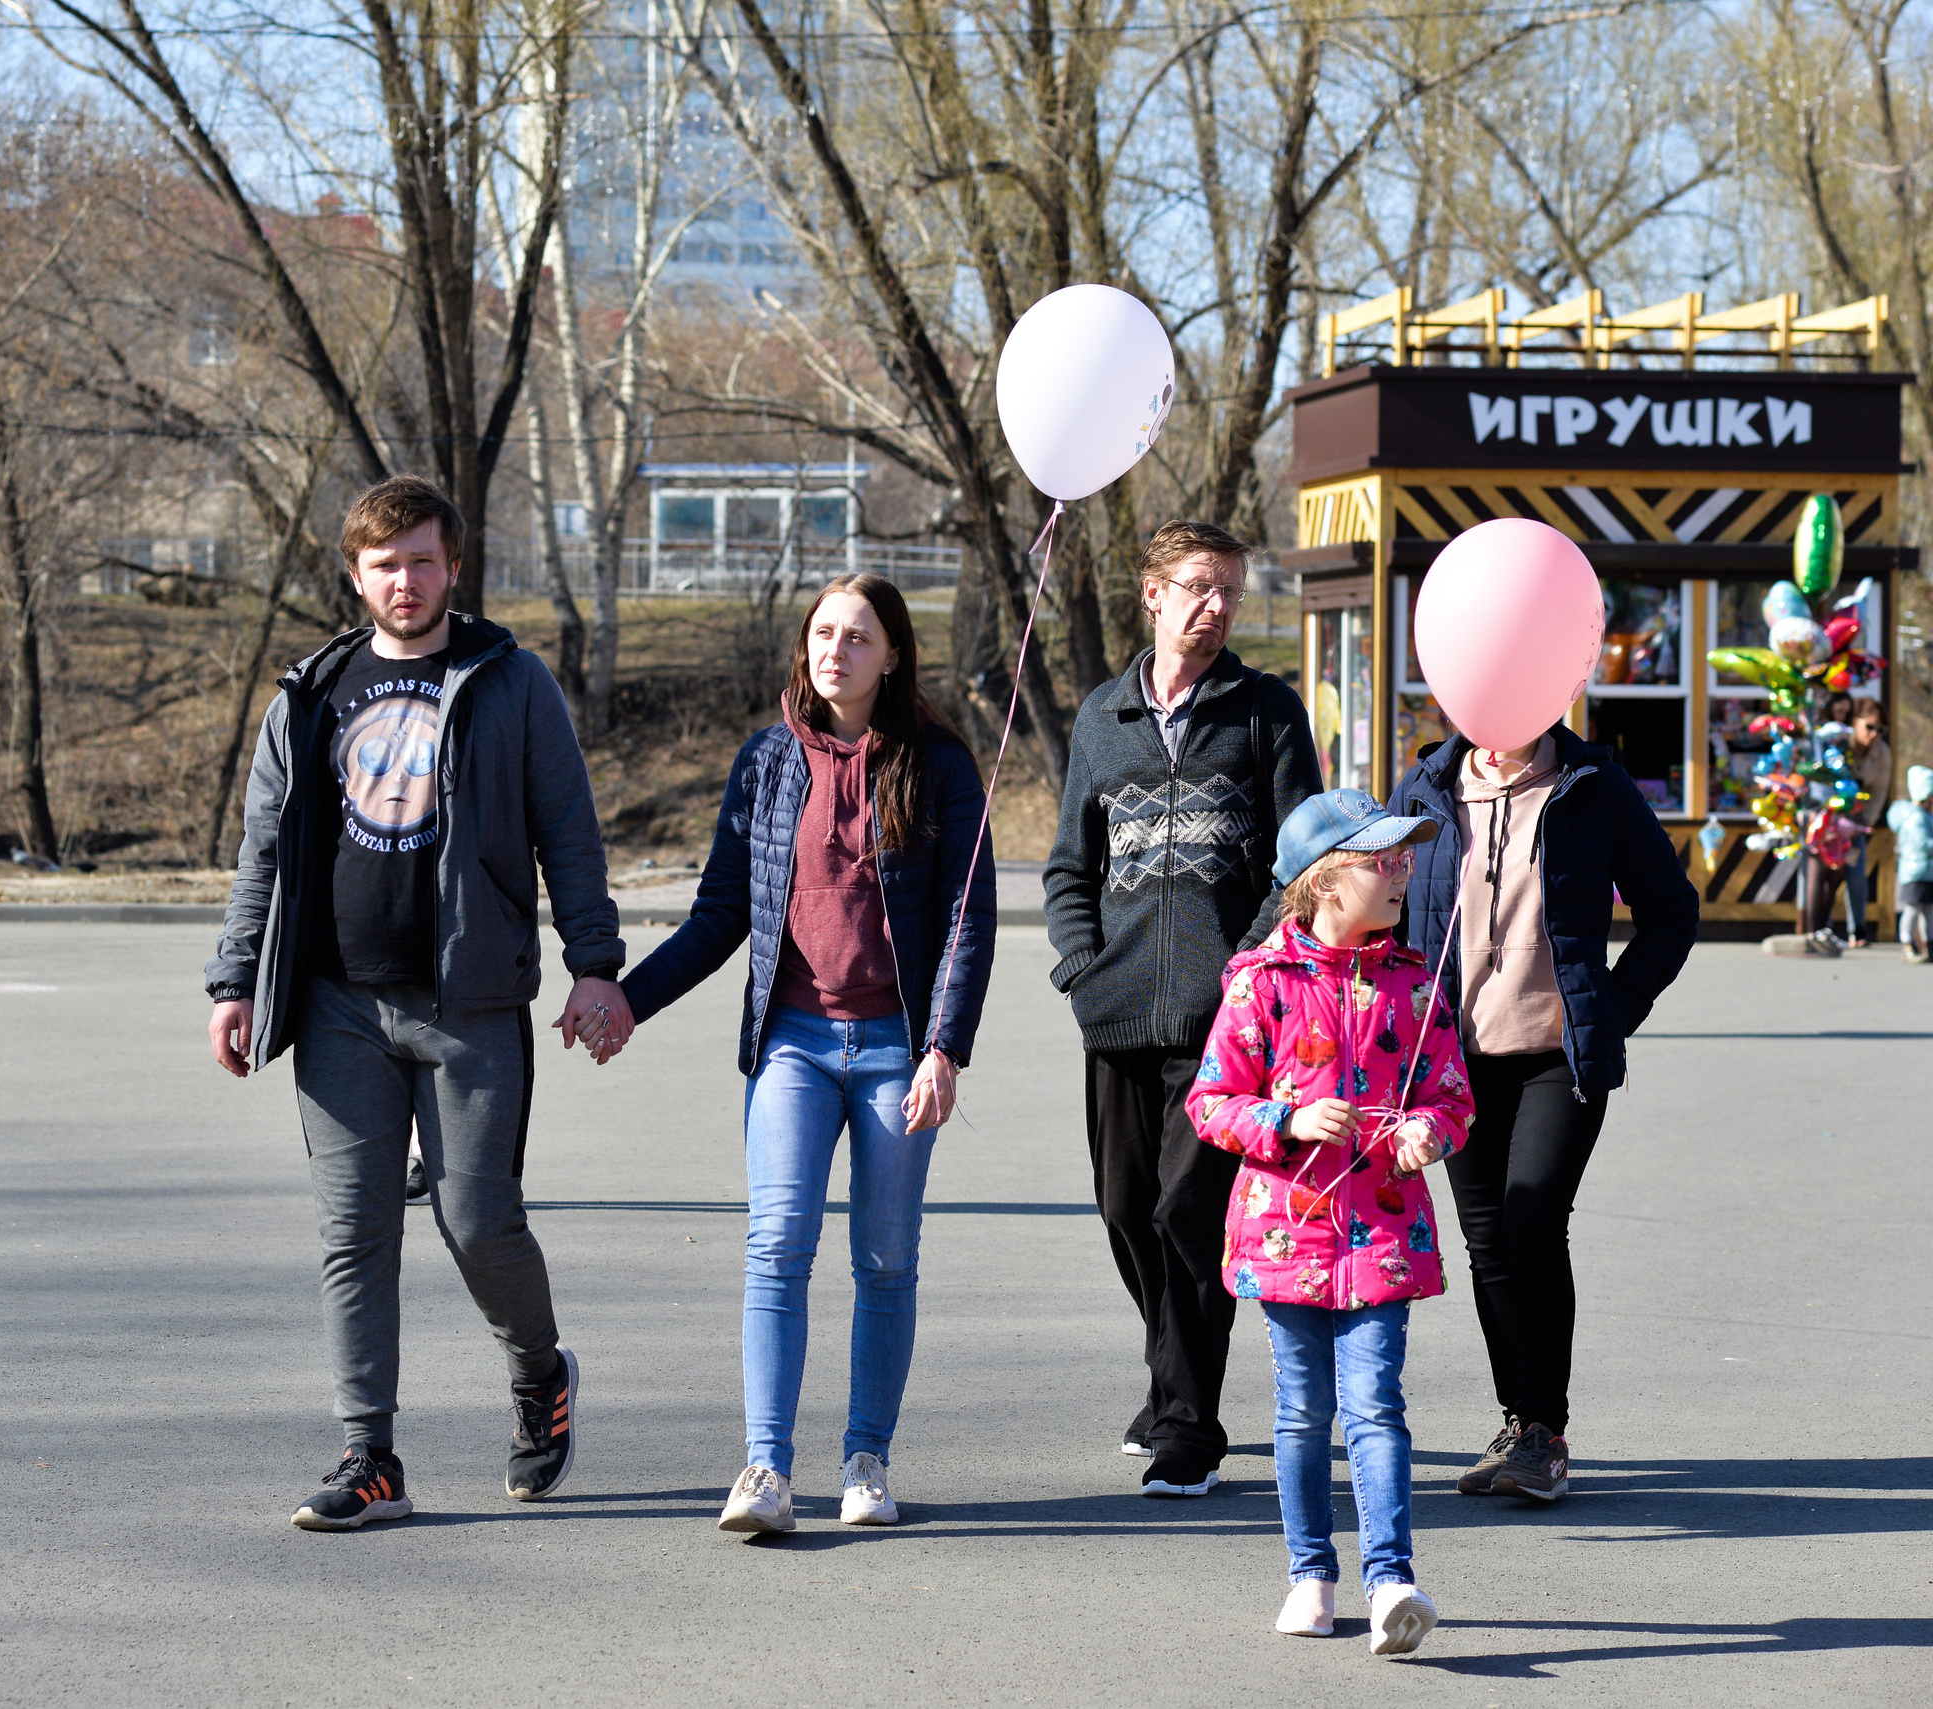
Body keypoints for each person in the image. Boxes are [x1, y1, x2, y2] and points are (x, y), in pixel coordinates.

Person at [204, 475, 629, 1531]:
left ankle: (539, 1373)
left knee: (478, 1220)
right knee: (352, 1233)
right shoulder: (308, 692)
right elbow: (263, 846)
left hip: (469, 997)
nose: (407, 580)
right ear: (357, 575)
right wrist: (233, 978)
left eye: (424, 560)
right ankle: (369, 1453)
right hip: (337, 1001)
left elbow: (566, 831)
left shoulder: (509, 680)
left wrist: (594, 961)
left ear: (453, 566)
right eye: (385, 564)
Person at [617, 574, 995, 1533]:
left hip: (898, 1050)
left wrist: (944, 1046)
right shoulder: (767, 763)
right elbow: (717, 919)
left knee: (885, 1257)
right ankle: (764, 1470)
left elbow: (964, 921)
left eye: (860, 636)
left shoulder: (941, 767)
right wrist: (627, 1002)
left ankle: (866, 1458)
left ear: (893, 654)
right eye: (825, 632)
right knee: (777, 1248)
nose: (838, 649)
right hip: (791, 1040)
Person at [1042, 519, 1323, 1498]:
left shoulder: (1265, 711)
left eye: (1230, 592)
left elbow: (1302, 865)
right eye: (1199, 587)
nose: (1217, 607)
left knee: (1187, 1213)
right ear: (1152, 593)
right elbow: (1069, 865)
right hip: (1113, 1009)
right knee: (1125, 1207)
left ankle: (1188, 1429)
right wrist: (1081, 961)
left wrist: (1247, 968)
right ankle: (1173, 1372)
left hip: (1225, 1023)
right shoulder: (1099, 718)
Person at [1188, 789, 1472, 1656]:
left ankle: (1392, 1579)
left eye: (1404, 858)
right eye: (1381, 860)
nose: (1402, 872)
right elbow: (1211, 1103)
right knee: (1304, 1411)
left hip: (1384, 1234)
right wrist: (1285, 1121)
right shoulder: (1259, 985)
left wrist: (1430, 1127)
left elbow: (1452, 1095)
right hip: (1287, 1234)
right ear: (1321, 881)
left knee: (1376, 1407)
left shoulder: (1416, 982)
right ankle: (1310, 1572)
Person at [1384, 717, 1698, 1502]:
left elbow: (1671, 909)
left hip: (1558, 1056)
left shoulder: (1593, 784)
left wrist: (1613, 1005)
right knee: (1486, 1237)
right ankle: (1518, 1420)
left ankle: (1545, 1433)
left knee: (1530, 1219)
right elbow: (1382, 907)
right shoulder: (1425, 785)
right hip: (1454, 1057)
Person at [1838, 699, 1894, 945]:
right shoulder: (1839, 744)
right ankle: (1817, 928)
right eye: (1869, 727)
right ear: (1854, 723)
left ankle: (1857, 929)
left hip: (1856, 822)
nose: (1874, 735)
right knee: (1823, 875)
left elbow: (1880, 792)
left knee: (1857, 874)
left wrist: (1863, 823)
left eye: (1880, 730)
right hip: (1829, 819)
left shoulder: (1883, 753)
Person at [1891, 765, 1932, 964]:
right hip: (1916, 872)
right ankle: (1907, 942)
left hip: (1927, 872)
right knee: (1913, 908)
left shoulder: (1925, 816)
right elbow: (1923, 843)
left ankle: (1929, 943)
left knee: (1928, 910)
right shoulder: (1916, 818)